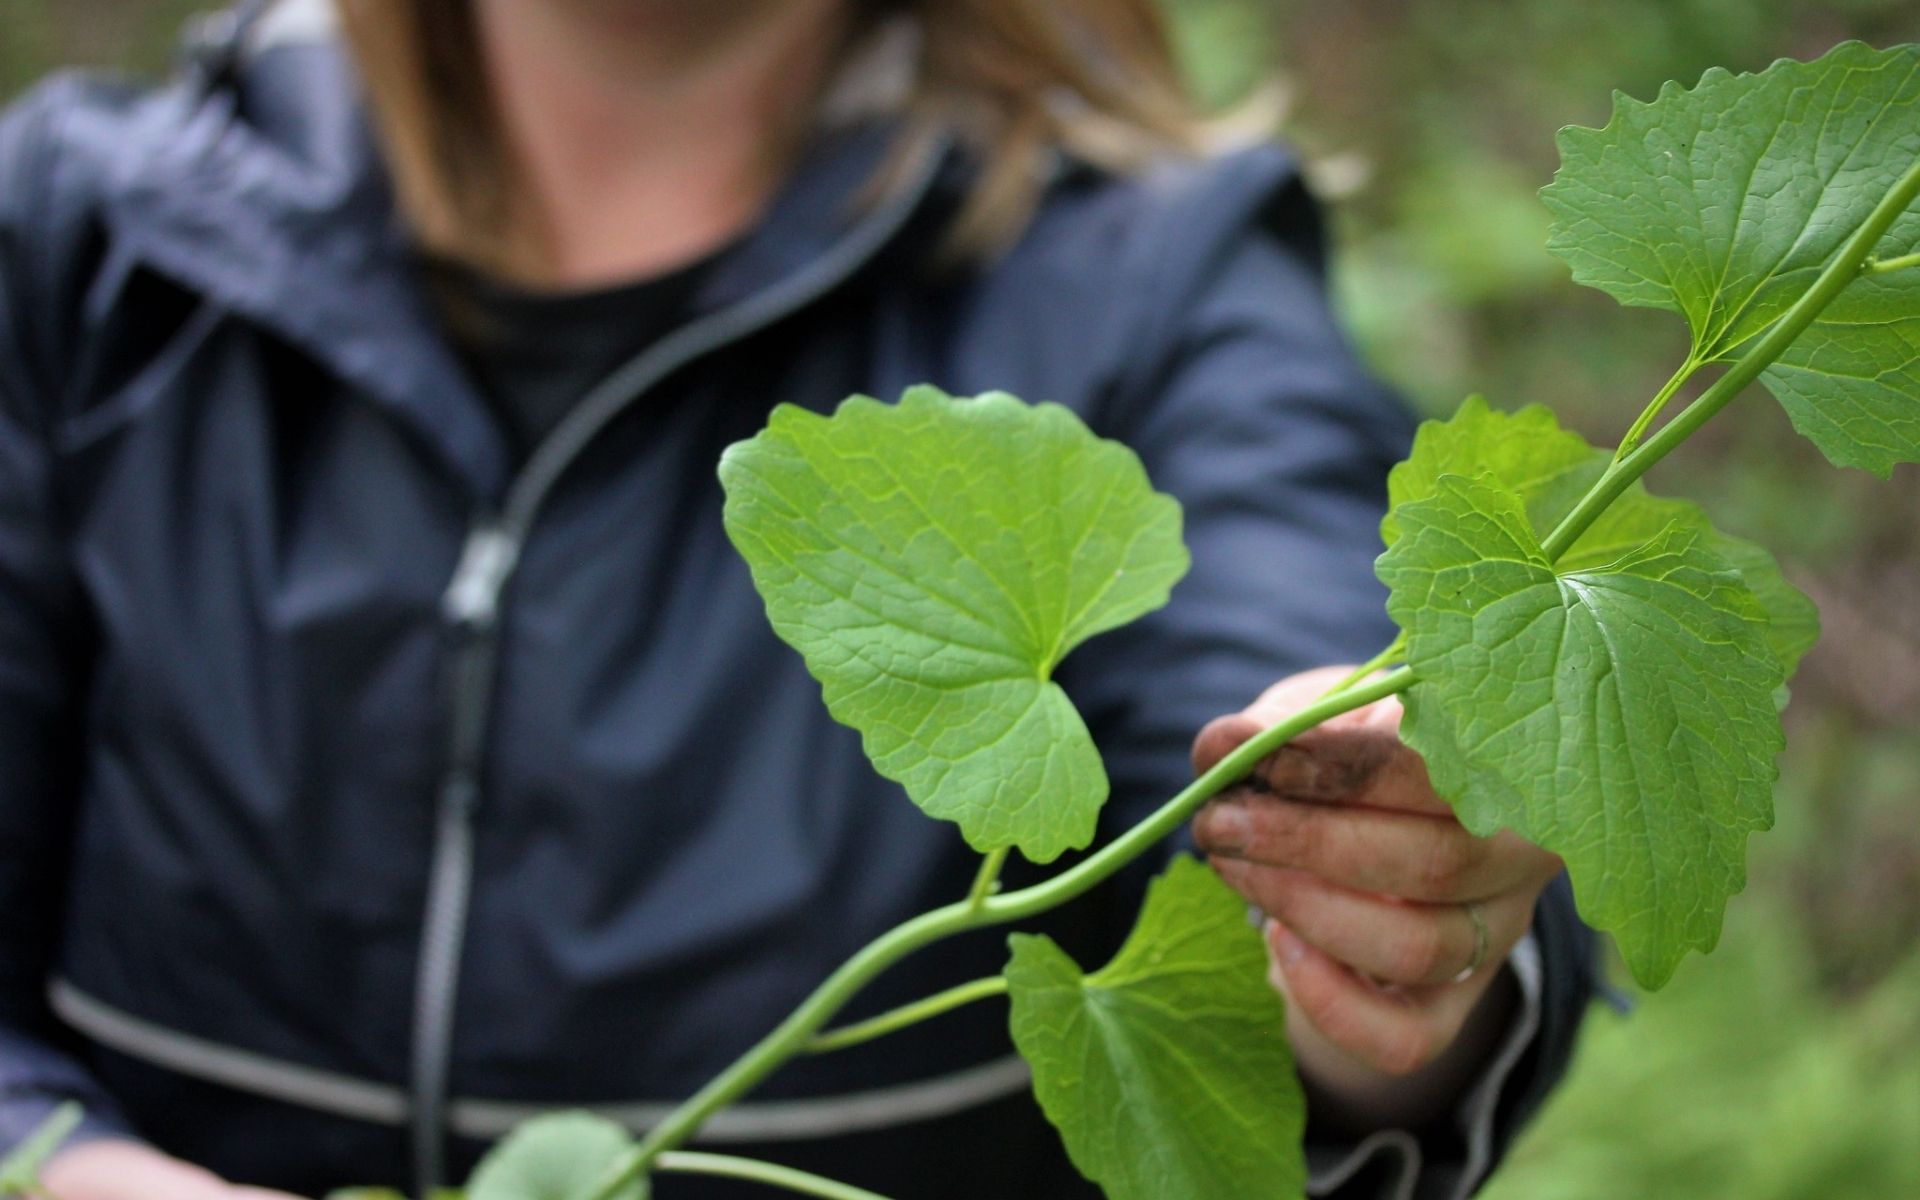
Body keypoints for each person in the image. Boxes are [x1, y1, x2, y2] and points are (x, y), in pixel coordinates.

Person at [0, 1, 1595, 1196]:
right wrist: (61, 1168)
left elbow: (1284, 659)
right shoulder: (92, 249)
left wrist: (1381, 904)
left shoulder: (1156, 284)